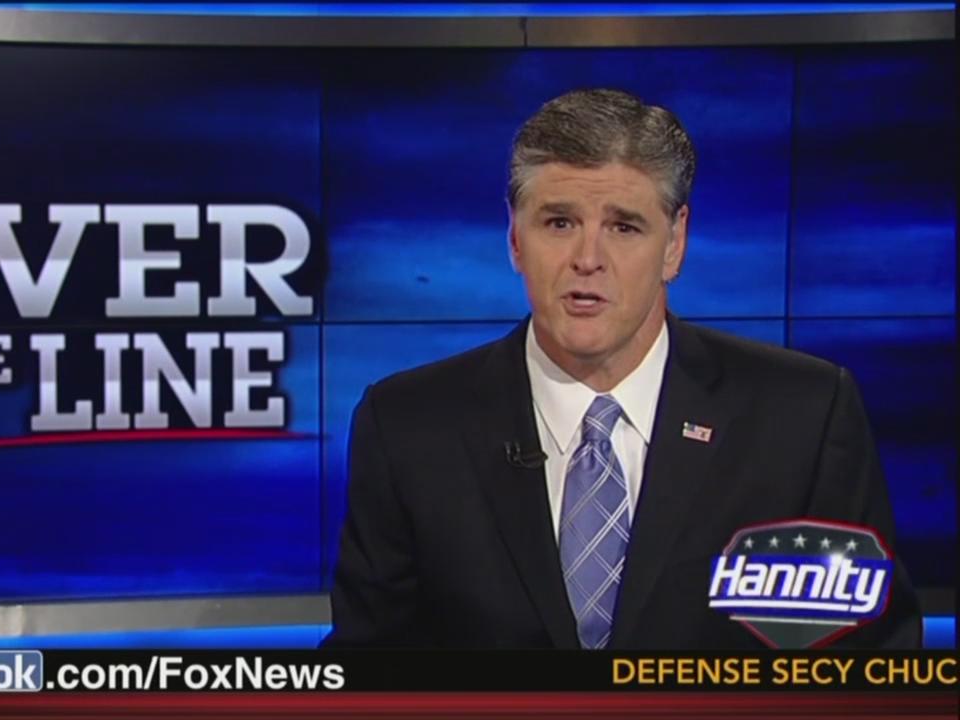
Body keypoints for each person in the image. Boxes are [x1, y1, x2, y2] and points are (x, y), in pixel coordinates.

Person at [323, 88, 920, 649]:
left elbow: (866, 665)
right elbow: (366, 673)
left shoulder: (802, 417)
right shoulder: (408, 426)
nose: (588, 259)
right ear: (514, 237)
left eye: (624, 226)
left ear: (674, 243)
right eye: (559, 223)